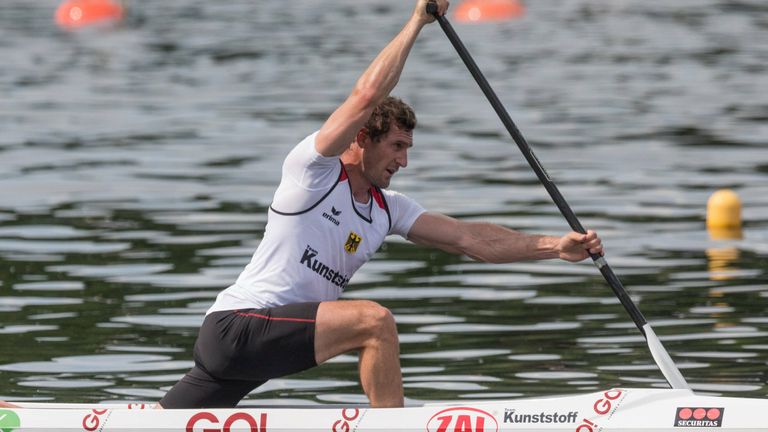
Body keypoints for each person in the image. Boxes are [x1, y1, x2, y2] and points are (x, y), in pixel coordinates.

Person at [158, 0, 603, 409]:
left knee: (166, 421)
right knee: (375, 322)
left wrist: (554, 247)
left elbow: (472, 240)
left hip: (252, 349)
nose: (403, 161)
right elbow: (365, 97)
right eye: (395, 146)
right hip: (238, 327)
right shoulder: (312, 171)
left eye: (408, 149)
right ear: (361, 139)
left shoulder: (388, 209)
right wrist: (417, 22)